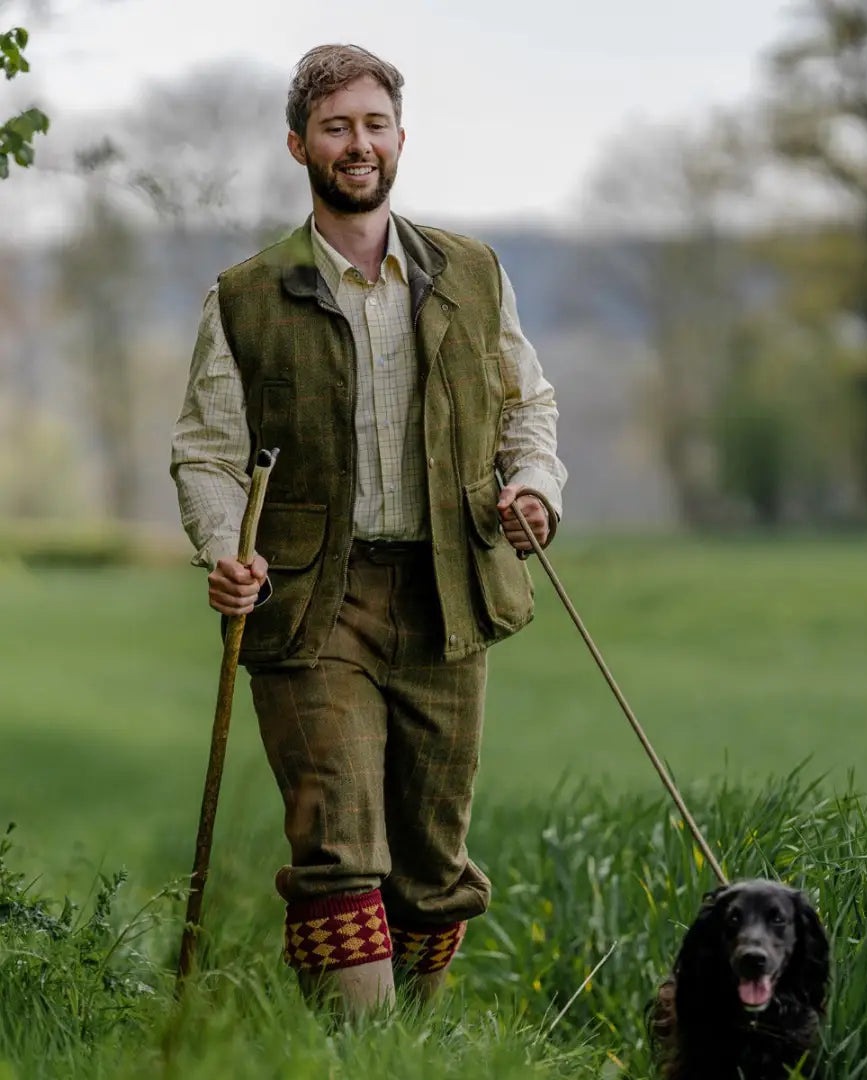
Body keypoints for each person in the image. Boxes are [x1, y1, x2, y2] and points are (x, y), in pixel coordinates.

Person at [170, 43, 566, 1018]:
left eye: (374, 124)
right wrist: (227, 551)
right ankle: (353, 1054)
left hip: (448, 591)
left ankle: (406, 1048)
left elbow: (529, 407)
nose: (358, 144)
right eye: (337, 126)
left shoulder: (473, 272)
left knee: (433, 869)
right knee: (340, 846)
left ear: (400, 139)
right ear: (300, 143)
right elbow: (208, 452)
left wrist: (534, 487)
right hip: (310, 602)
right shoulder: (247, 295)